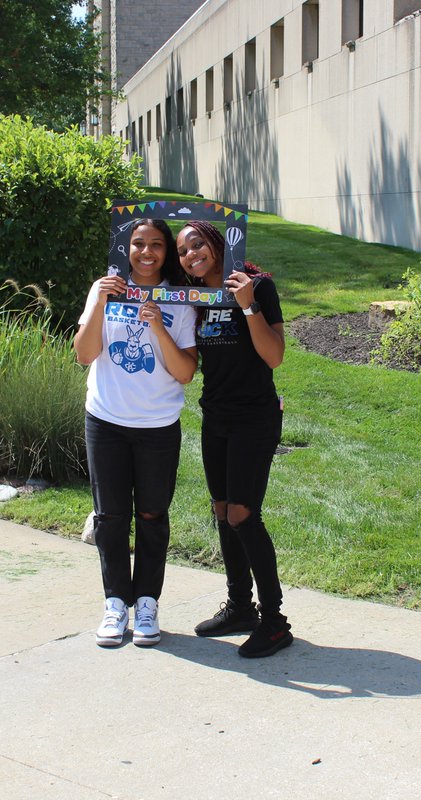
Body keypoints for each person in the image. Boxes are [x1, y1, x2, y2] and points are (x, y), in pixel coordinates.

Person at [74, 219, 198, 647]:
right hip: (106, 420)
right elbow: (84, 354)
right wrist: (99, 301)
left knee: (151, 516)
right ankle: (115, 604)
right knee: (109, 517)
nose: (146, 252)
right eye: (138, 244)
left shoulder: (179, 301)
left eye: (156, 245)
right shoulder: (105, 289)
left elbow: (184, 373)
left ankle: (146, 603)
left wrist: (159, 326)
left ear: (167, 251)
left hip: (156, 426)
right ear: (125, 248)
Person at [175, 220, 293, 658]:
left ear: (216, 243)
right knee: (223, 511)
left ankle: (275, 622)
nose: (191, 254)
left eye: (197, 244)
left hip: (254, 418)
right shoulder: (195, 299)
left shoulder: (258, 286)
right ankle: (241, 607)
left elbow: (274, 356)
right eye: (183, 251)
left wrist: (247, 305)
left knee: (244, 514)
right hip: (216, 416)